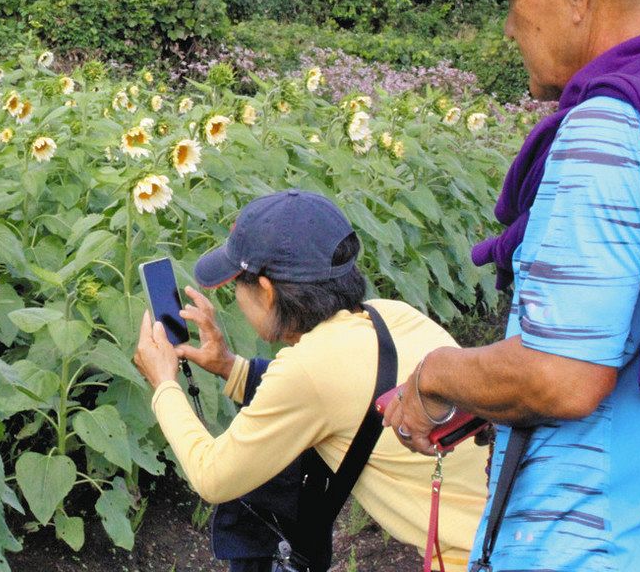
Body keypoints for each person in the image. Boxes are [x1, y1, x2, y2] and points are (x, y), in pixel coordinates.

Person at [382, 0, 640, 571]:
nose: (506, 27)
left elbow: (562, 376)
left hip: (591, 544)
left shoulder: (609, 128)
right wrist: (490, 399)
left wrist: (435, 377)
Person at [134, 189, 488, 571]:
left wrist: (164, 383)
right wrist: (228, 366)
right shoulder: (394, 315)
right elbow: (339, 392)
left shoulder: (309, 370)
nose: (235, 296)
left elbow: (212, 476)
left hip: (473, 558)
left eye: (237, 283)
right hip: (520, 523)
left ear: (267, 292)